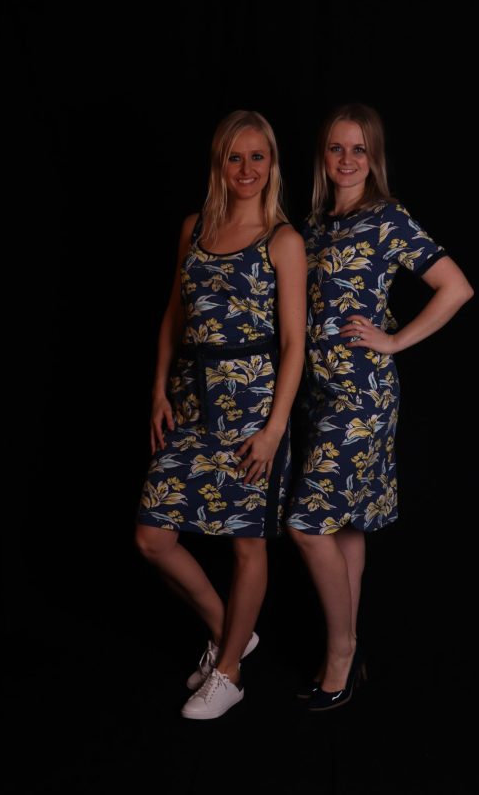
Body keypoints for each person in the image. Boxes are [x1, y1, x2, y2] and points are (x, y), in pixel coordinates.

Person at [285, 102, 474, 711]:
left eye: (359, 149)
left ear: (374, 158)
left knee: (307, 524)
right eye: (337, 148)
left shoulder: (388, 218)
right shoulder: (313, 226)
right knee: (345, 525)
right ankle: (347, 650)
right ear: (323, 155)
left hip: (362, 394)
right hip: (317, 394)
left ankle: (342, 654)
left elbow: (456, 287)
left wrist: (393, 340)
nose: (347, 159)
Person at [135, 109, 306, 720]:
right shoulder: (195, 227)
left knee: (246, 545)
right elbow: (173, 316)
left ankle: (228, 671)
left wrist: (275, 430)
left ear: (272, 163)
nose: (246, 168)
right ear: (219, 163)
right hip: (190, 399)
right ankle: (231, 631)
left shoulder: (283, 240)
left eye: (257, 156)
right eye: (235, 157)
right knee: (153, 537)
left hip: (254, 407)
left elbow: (294, 343)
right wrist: (159, 390)